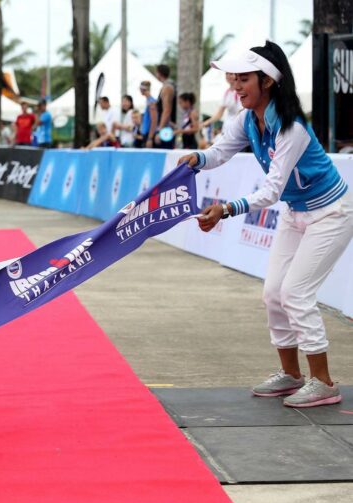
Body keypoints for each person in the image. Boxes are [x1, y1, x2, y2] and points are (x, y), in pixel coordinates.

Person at [178, 41, 353, 408]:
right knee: (273, 293)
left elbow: (270, 191)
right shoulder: (246, 119)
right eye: (233, 79)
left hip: (332, 213)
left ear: (268, 81)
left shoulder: (293, 128)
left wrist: (225, 209)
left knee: (296, 293)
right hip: (295, 212)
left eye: (244, 79)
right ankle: (291, 375)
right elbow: (219, 152)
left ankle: (323, 382)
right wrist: (196, 158)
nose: (236, 87)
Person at [154, 64, 177, 149]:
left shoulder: (167, 87)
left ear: (159, 73)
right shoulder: (168, 86)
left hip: (167, 128)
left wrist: (160, 130)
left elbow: (167, 110)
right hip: (167, 127)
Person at [139, 81, 158, 148]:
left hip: (149, 135)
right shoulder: (148, 101)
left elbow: (154, 121)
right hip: (146, 133)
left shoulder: (151, 102)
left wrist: (150, 138)